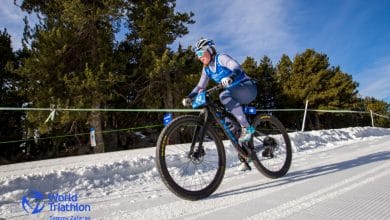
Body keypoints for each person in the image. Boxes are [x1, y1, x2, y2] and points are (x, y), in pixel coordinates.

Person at [182, 38, 258, 171]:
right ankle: (244, 155)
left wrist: (231, 77)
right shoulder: (206, 69)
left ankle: (247, 127)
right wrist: (189, 97)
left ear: (210, 50)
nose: (199, 57)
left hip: (247, 87)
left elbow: (237, 68)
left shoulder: (221, 58)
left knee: (224, 95)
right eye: (197, 55)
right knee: (223, 115)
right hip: (233, 93)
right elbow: (200, 85)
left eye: (200, 53)